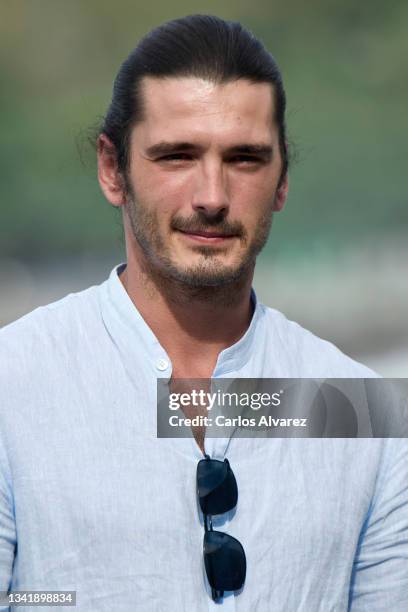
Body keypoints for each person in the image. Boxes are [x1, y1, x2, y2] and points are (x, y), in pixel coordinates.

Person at [0, 14, 407, 612]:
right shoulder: (14, 385)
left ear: (283, 178)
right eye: (177, 156)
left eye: (244, 158)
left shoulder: (357, 411)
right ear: (113, 169)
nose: (211, 196)